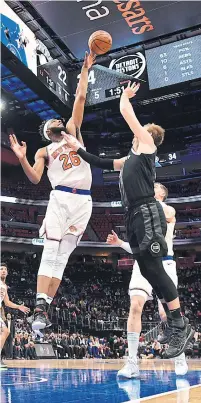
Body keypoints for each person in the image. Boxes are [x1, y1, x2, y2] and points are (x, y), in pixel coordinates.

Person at [62, 81, 194, 359]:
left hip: (147, 212)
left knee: (155, 269)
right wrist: (77, 147)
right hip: (133, 216)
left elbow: (125, 110)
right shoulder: (130, 157)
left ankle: (180, 325)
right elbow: (101, 163)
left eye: (141, 130)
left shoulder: (147, 145)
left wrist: (125, 96)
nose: (137, 131)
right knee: (147, 271)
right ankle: (174, 323)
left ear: (147, 136)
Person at [9, 52, 96, 333]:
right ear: (47, 131)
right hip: (59, 197)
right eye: (51, 122)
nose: (57, 121)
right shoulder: (44, 150)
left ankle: (44, 307)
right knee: (50, 249)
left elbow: (80, 99)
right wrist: (22, 158)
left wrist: (84, 69)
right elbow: (35, 178)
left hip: (83, 200)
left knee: (63, 256)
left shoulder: (73, 131)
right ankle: (38, 306)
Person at [107, 183, 188, 377]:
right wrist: (119, 243)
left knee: (166, 312)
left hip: (165, 264)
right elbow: (136, 248)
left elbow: (167, 214)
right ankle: (132, 363)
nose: (149, 187)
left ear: (161, 193)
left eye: (154, 186)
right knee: (135, 306)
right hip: (142, 264)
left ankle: (180, 356)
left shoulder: (167, 209)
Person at [0, 263, 30, 369]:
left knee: (6, 332)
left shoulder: (5, 286)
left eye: (5, 269)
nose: (3, 271)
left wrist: (18, 307)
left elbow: (7, 302)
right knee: (5, 331)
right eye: (1, 269)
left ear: (7, 273)